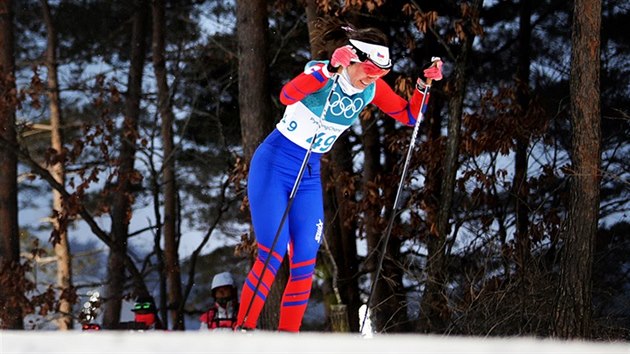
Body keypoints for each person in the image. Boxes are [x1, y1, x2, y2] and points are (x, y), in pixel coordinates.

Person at [235, 17, 443, 332]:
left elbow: (410, 115)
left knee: (305, 261)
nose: (373, 79)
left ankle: (286, 339)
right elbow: (287, 96)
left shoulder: (370, 90)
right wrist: (328, 71)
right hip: (275, 163)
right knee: (272, 253)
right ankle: (242, 331)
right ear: (352, 59)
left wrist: (423, 86)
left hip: (307, 174)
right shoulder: (321, 72)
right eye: (370, 70)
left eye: (382, 73)